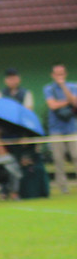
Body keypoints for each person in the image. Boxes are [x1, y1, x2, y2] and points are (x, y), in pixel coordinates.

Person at [43, 64, 77, 193]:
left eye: (62, 73)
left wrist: (63, 87)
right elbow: (52, 105)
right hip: (55, 129)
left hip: (72, 127)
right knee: (58, 158)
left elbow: (75, 103)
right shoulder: (48, 89)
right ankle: (63, 187)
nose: (59, 76)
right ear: (52, 75)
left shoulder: (73, 86)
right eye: (57, 74)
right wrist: (68, 101)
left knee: (76, 155)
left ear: (65, 74)